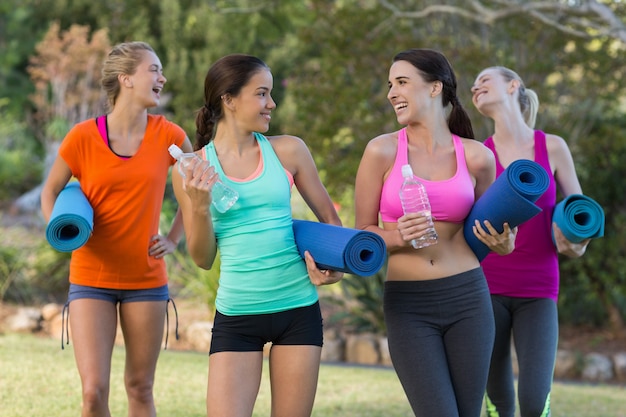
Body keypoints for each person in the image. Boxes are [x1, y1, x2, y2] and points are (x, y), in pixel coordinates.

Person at [171, 53, 343, 417]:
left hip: (298, 309)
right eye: (262, 94)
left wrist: (333, 263)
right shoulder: (192, 169)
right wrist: (200, 206)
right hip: (238, 315)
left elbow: (328, 216)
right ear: (229, 99)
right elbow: (202, 260)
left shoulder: (288, 150)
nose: (272, 104)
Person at [354, 48, 516, 417]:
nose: (391, 92)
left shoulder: (477, 157)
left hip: (469, 299)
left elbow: (496, 230)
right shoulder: (380, 151)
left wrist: (506, 243)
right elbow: (361, 235)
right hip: (409, 305)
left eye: (402, 82)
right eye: (390, 84)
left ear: (434, 88)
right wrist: (397, 237)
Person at [41, 41, 192, 417]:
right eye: (153, 70)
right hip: (91, 276)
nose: (162, 78)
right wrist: (58, 232)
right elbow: (51, 190)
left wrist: (173, 239)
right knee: (93, 392)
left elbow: (196, 189)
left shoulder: (170, 136)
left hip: (146, 278)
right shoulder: (82, 137)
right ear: (125, 78)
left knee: (140, 388)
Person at [471, 66, 590, 417]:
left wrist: (578, 244)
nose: (475, 87)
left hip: (539, 290)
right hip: (488, 288)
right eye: (474, 86)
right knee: (499, 401)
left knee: (535, 402)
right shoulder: (480, 155)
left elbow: (578, 213)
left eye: (484, 81)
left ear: (513, 85)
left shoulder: (552, 146)